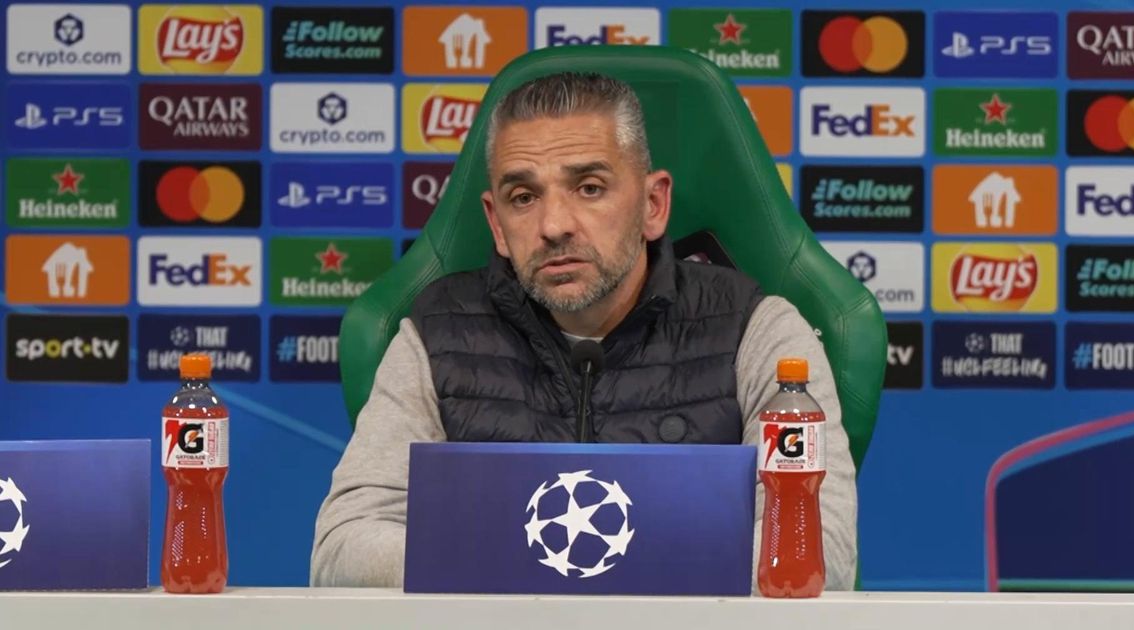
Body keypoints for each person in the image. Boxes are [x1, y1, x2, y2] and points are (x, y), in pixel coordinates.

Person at [310, 72, 858, 591]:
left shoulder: (756, 330)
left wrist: (536, 561)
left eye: (589, 188)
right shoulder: (437, 333)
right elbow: (342, 549)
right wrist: (577, 562)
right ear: (496, 224)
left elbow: (817, 550)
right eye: (523, 198)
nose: (554, 226)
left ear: (653, 204)